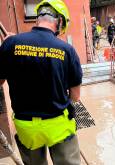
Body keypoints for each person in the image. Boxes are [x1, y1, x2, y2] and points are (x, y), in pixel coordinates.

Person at [0, 0, 82, 164]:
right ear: (59, 21)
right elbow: (75, 96)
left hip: (26, 126)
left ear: (38, 18)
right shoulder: (67, 50)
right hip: (58, 125)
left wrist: (8, 48)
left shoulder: (11, 43)